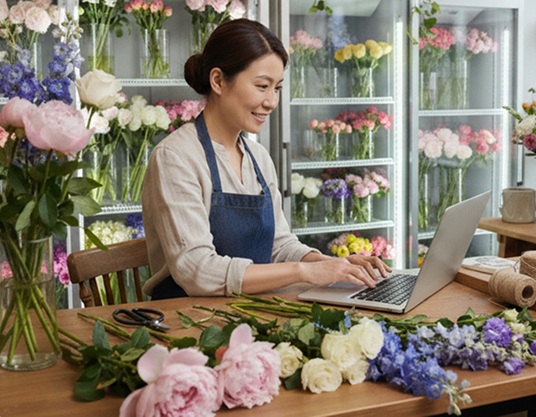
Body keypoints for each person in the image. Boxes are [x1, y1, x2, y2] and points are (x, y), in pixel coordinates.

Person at [142, 18, 388, 300]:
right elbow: (197, 271)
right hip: (187, 319)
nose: (271, 101)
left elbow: (279, 245)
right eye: (262, 86)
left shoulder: (257, 156)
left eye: (278, 88)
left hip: (248, 309)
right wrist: (304, 273)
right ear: (218, 81)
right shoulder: (176, 157)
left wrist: (334, 265)